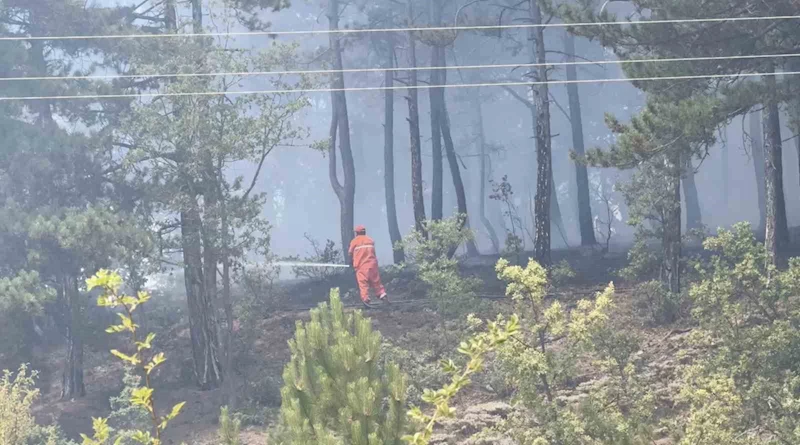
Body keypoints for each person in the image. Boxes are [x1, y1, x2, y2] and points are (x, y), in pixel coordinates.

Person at [348, 225, 388, 308]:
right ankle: (383, 296)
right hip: (372, 265)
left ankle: (366, 300)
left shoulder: (354, 241)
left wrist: (351, 263)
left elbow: (350, 253)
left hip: (361, 266)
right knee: (376, 282)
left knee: (363, 284)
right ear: (364, 232)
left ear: (357, 233)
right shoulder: (370, 240)